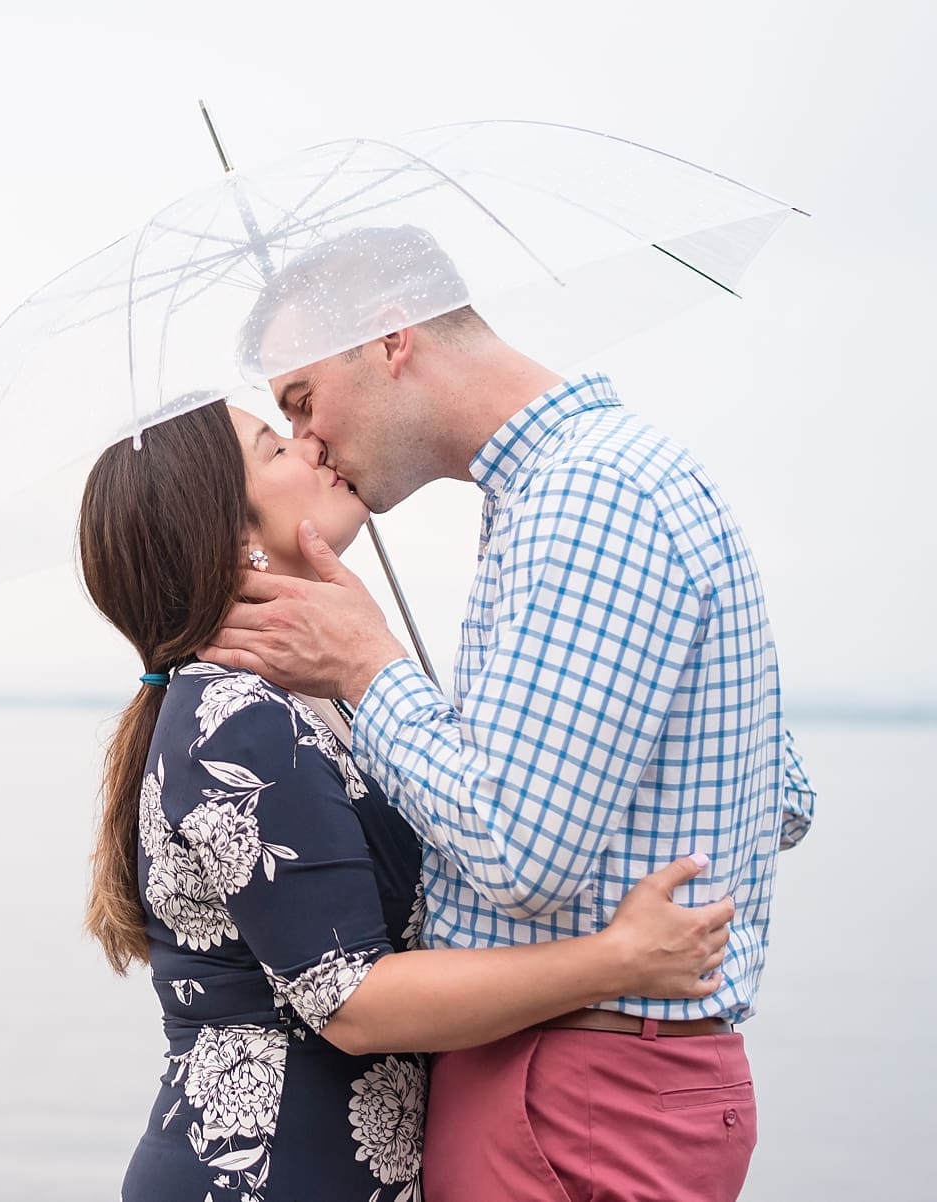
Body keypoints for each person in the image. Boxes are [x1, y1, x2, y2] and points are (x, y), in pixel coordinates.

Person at [201, 227, 817, 1202]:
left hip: (574, 1090)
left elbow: (521, 852)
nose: (311, 445)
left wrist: (369, 667)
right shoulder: (601, 481)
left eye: (303, 402)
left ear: (389, 337)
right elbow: (783, 796)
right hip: (613, 1079)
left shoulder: (588, 498)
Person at [78, 401, 735, 1202]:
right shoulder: (235, 721)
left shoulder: (316, 698)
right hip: (260, 1176)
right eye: (276, 446)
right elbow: (353, 1000)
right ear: (230, 539)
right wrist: (617, 960)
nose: (314, 443)